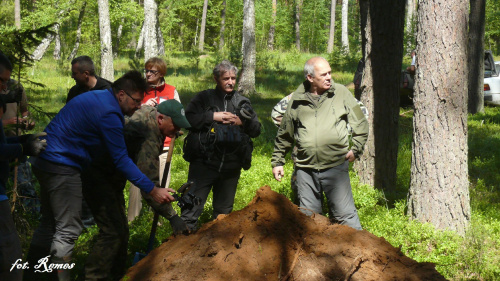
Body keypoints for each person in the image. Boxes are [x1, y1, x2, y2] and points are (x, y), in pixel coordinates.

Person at [25, 70, 176, 281]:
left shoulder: (98, 97)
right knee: (68, 229)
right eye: (136, 101)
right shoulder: (110, 113)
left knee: (49, 223)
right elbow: (121, 159)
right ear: (121, 94)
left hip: (45, 158)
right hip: (61, 164)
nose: (139, 106)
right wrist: (151, 188)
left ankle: (32, 274)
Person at [271, 57, 368, 230]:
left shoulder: (341, 93)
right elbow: (285, 131)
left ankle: (362, 254)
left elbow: (360, 122)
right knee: (310, 219)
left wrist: (356, 149)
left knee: (345, 217)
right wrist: (278, 161)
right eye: (323, 75)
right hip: (305, 169)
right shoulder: (297, 98)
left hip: (335, 166)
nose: (329, 77)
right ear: (310, 78)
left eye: (330, 73)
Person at [181, 60, 261, 231]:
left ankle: (215, 251)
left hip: (231, 167)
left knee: (223, 215)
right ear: (216, 79)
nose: (230, 82)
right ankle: (182, 246)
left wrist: (242, 122)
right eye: (226, 78)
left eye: (233, 78)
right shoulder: (204, 98)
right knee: (190, 211)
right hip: (203, 165)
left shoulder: (243, 102)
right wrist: (212, 117)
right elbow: (187, 119)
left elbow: (256, 130)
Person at [0, 53, 47, 281]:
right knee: (10, 254)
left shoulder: (15, 90)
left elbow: (24, 114)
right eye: (1, 81)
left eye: (6, 83)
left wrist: (22, 139)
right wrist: (22, 148)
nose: (4, 87)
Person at [123, 100, 191, 235]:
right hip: (101, 168)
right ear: (161, 119)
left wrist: (172, 132)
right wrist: (173, 217)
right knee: (115, 231)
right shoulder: (148, 135)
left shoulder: (150, 111)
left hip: (112, 161)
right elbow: (149, 185)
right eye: (176, 126)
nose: (178, 130)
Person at [127, 57, 181, 222]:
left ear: (161, 73)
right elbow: (130, 114)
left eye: (153, 71)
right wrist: (144, 106)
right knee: (138, 183)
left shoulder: (171, 91)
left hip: (163, 145)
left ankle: (157, 218)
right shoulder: (139, 90)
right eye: (147, 70)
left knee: (161, 183)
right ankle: (133, 219)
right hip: (141, 145)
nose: (148, 74)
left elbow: (178, 113)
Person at [1, 78, 39, 214]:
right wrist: (6, 123)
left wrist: (27, 121)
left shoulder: (16, 86)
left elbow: (24, 111)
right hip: (3, 144)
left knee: (24, 182)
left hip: (16, 142)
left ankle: (32, 213)